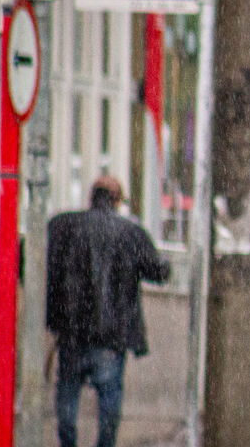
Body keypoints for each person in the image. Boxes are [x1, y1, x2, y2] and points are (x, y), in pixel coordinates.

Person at [46, 175, 170, 447]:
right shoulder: (130, 232)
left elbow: (31, 258)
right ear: (116, 200)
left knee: (67, 396)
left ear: (92, 196)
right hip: (111, 335)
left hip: (73, 332)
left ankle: (68, 442)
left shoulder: (64, 226)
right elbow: (158, 271)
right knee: (109, 399)